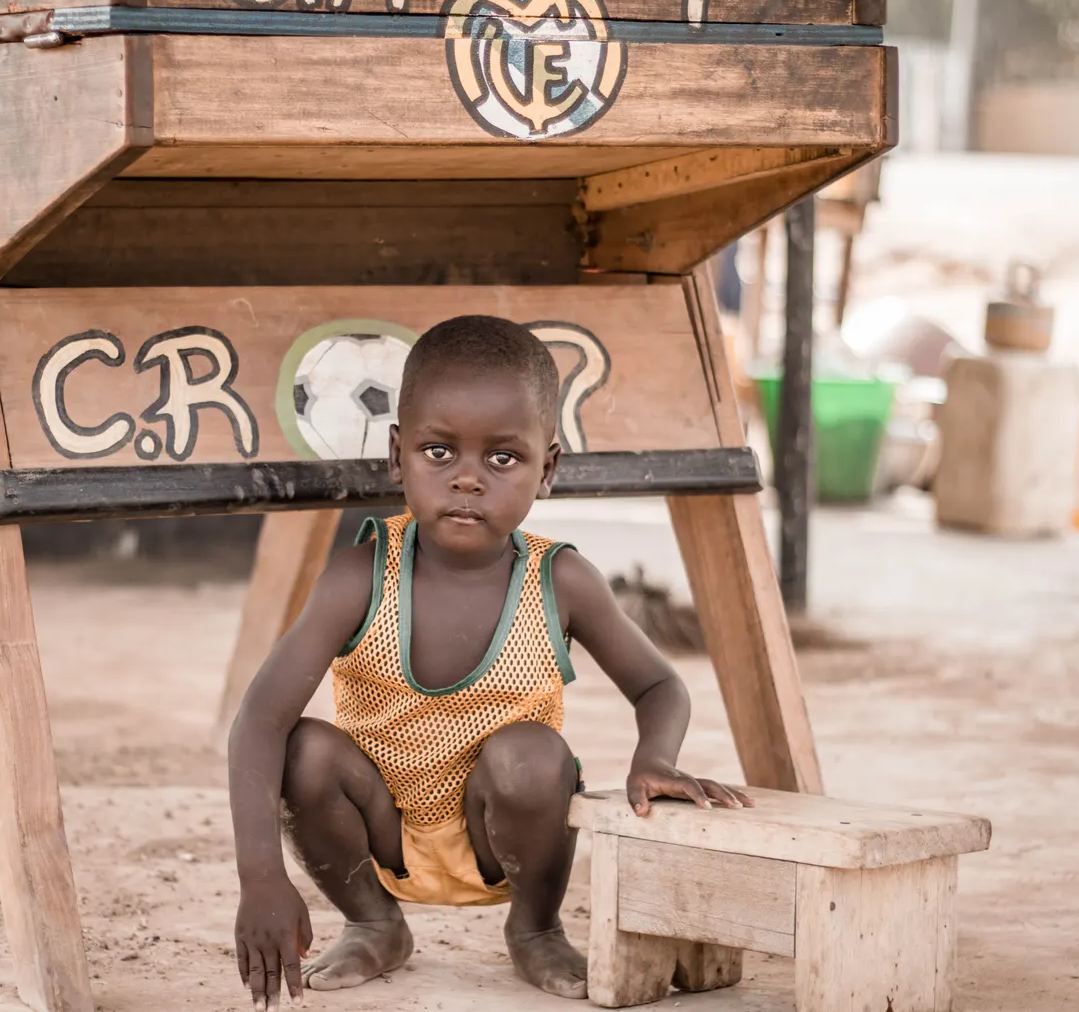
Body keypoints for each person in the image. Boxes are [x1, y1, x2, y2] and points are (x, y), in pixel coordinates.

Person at [227, 315, 753, 1010]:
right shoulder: (360, 576)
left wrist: (654, 756)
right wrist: (261, 875)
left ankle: (535, 927)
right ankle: (374, 922)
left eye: (502, 458)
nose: (467, 479)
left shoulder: (560, 581)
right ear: (397, 454)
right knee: (303, 749)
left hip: (501, 836)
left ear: (549, 467)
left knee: (534, 753)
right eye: (438, 451)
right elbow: (259, 720)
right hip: (378, 832)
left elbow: (659, 683)